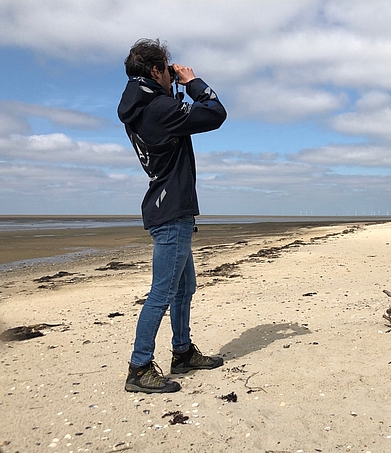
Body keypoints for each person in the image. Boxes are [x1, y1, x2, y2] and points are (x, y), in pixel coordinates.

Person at [117, 38, 227, 393]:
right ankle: (139, 367)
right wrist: (192, 81)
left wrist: (171, 90)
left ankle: (182, 353)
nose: (172, 72)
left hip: (168, 207)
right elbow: (215, 112)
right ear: (155, 70)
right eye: (167, 67)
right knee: (162, 292)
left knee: (184, 287)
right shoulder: (158, 110)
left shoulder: (143, 107)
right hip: (171, 211)